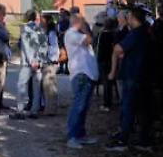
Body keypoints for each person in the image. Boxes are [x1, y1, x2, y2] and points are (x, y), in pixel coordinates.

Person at [107, 7, 153, 152]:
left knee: (128, 108)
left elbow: (117, 49)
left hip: (132, 76)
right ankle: (144, 141)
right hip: (143, 76)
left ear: (133, 18)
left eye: (128, 16)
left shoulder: (135, 34)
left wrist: (113, 71)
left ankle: (123, 141)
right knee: (143, 110)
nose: (127, 19)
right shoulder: (146, 32)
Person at [63, 13, 99, 148]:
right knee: (78, 106)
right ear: (78, 22)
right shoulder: (72, 34)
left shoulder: (76, 34)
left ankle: (80, 135)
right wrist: (84, 28)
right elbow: (89, 40)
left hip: (87, 74)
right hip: (81, 74)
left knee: (83, 107)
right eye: (83, 21)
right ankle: (72, 137)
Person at [11, 9, 46, 120]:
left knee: (21, 86)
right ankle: (34, 111)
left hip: (28, 63)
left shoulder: (26, 29)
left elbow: (27, 46)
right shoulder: (41, 29)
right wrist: (40, 60)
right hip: (39, 63)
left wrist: (32, 61)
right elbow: (44, 46)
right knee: (37, 88)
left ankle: (20, 111)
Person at [95, 14, 118, 111]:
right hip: (111, 60)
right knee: (110, 83)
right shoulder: (114, 35)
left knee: (106, 83)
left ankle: (107, 104)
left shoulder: (102, 34)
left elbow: (96, 46)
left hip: (103, 61)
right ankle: (110, 101)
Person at [40, 13, 60, 116]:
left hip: (50, 62)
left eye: (42, 20)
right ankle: (49, 108)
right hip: (47, 61)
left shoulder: (51, 33)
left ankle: (51, 109)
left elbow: (54, 48)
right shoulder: (46, 32)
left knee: (50, 87)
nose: (40, 21)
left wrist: (50, 59)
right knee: (47, 87)